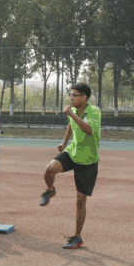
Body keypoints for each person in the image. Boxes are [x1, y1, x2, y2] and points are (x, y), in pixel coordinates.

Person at [39, 83, 101, 249]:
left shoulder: (94, 112)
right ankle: (50, 190)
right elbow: (70, 126)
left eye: (74, 95)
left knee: (80, 200)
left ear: (84, 97)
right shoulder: (73, 111)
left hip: (88, 161)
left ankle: (77, 237)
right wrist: (65, 142)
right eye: (71, 95)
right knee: (50, 169)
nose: (71, 98)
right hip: (72, 153)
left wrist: (72, 115)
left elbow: (89, 130)